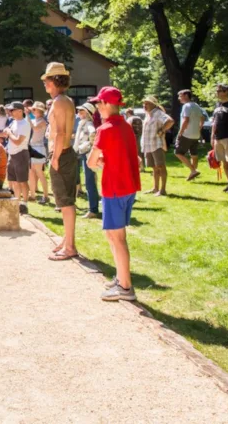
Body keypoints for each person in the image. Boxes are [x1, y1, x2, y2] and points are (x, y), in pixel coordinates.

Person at [87, 86, 142, 302]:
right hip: (128, 186)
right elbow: (126, 155)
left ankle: (126, 288)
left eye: (99, 103)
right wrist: (104, 160)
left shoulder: (105, 128)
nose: (97, 107)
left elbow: (92, 162)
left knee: (116, 237)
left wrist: (98, 161)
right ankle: (121, 278)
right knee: (114, 235)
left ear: (108, 104)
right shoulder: (125, 126)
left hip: (114, 187)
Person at [43, 62, 78, 261]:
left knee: (65, 203)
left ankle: (70, 246)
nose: (45, 84)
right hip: (65, 153)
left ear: (54, 81)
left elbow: (60, 132)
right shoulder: (65, 100)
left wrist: (54, 158)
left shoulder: (58, 102)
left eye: (47, 80)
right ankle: (67, 240)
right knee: (67, 201)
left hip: (61, 154)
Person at [141, 96, 174, 196]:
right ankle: (155, 188)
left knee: (160, 166)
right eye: (144, 104)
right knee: (154, 167)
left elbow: (170, 121)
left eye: (147, 103)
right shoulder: (148, 115)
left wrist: (162, 130)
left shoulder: (158, 113)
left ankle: (163, 190)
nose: (144, 105)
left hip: (156, 144)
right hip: (148, 145)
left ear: (153, 104)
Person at [3, 102, 32, 214]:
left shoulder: (24, 124)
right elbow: (10, 136)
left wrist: (9, 133)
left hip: (20, 154)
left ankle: (24, 204)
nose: (10, 112)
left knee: (22, 181)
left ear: (20, 111)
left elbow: (18, 140)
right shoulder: (14, 122)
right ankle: (17, 202)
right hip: (12, 153)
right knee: (14, 181)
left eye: (12, 110)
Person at [75, 103, 100, 219]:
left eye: (82, 111)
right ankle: (93, 208)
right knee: (89, 182)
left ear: (88, 113)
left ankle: (93, 209)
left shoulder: (88, 124)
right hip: (83, 153)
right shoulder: (82, 123)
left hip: (87, 154)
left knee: (89, 182)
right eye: (79, 111)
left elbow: (93, 134)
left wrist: (87, 146)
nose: (79, 113)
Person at [175, 89, 205, 181]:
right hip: (195, 134)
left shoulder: (186, 106)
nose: (179, 98)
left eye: (180, 96)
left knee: (178, 153)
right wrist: (198, 129)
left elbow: (186, 120)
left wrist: (180, 133)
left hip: (186, 134)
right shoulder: (196, 105)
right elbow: (202, 118)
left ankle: (193, 170)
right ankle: (193, 175)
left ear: (186, 96)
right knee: (194, 155)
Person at [28, 102, 50, 205]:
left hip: (38, 148)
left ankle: (46, 195)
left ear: (40, 111)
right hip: (31, 148)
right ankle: (32, 194)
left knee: (39, 173)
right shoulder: (33, 120)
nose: (33, 111)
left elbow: (35, 128)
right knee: (31, 172)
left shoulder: (43, 122)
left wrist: (27, 115)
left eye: (34, 110)